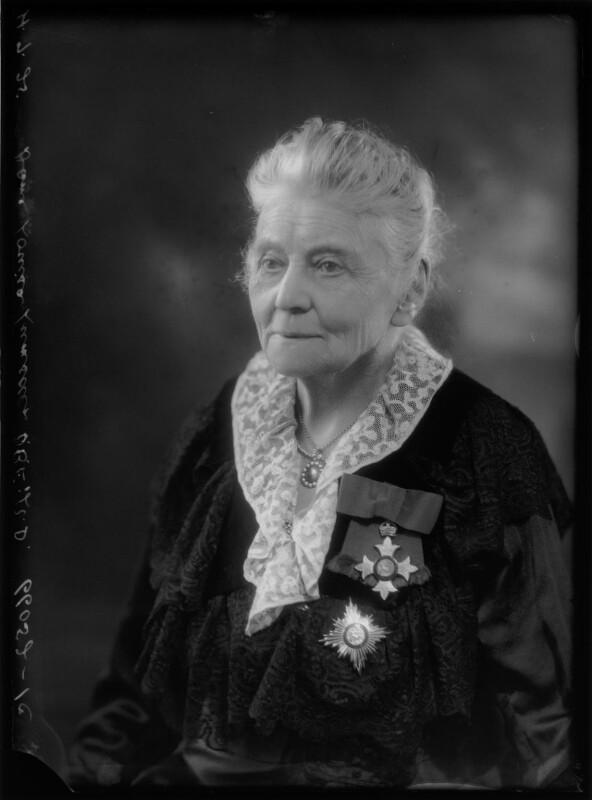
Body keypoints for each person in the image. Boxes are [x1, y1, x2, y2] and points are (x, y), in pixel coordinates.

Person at [67, 118, 573, 789]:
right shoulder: (211, 437)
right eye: (271, 261)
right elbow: (134, 694)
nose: (287, 297)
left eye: (328, 264)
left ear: (413, 289)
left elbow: (554, 737)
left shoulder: (487, 453)